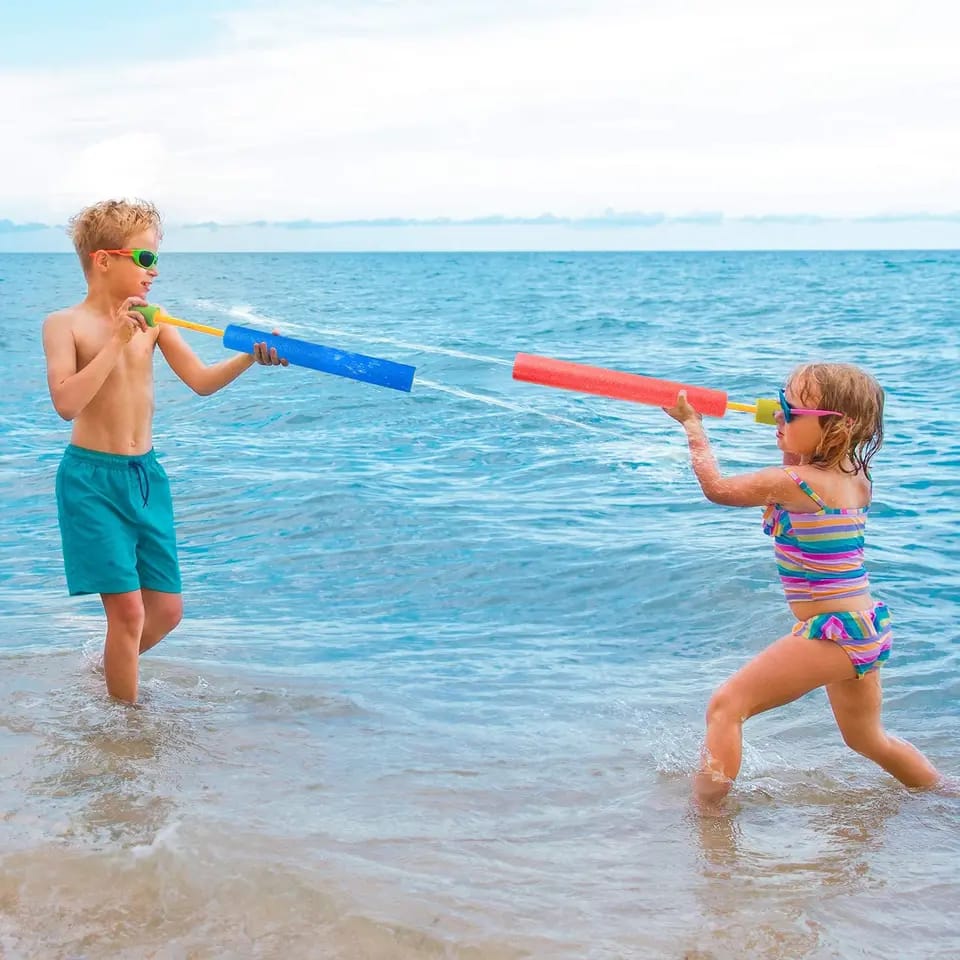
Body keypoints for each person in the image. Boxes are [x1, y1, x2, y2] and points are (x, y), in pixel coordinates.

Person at [42, 199, 287, 704]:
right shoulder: (64, 324)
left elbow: (200, 381)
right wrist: (115, 340)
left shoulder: (156, 321)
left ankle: (106, 669)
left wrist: (248, 357)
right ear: (103, 260)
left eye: (156, 259)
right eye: (145, 259)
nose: (155, 271)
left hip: (146, 477)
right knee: (128, 613)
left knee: (167, 612)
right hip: (91, 481)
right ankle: (126, 728)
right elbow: (67, 403)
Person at [663, 362, 941, 807]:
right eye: (779, 404)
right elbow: (800, 470)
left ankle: (708, 823)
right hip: (865, 627)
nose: (778, 416)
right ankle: (943, 795)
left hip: (833, 631)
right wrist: (792, 430)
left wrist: (693, 426)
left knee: (726, 706)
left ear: (835, 428)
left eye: (790, 411)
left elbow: (716, 488)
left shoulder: (792, 483)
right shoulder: (853, 477)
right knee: (870, 741)